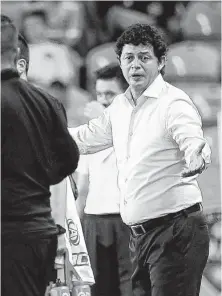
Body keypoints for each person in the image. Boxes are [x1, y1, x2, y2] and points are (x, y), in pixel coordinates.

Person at [69, 24, 211, 296]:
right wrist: (40, 129)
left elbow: (192, 138)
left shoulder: (173, 102)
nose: (135, 65)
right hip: (140, 235)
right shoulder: (120, 107)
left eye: (144, 57)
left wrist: (197, 155)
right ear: (121, 63)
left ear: (161, 62)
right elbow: (85, 138)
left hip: (176, 231)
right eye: (129, 58)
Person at [1, 16, 79, 296]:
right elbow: (69, 160)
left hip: (7, 234)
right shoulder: (46, 101)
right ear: (14, 54)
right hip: (39, 232)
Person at [75, 64, 131, 296]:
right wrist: (75, 230)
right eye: (99, 94)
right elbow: (84, 186)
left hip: (128, 221)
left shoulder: (138, 126)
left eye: (110, 94)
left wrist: (108, 121)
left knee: (131, 288)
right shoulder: (88, 132)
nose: (103, 100)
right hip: (93, 221)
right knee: (98, 289)